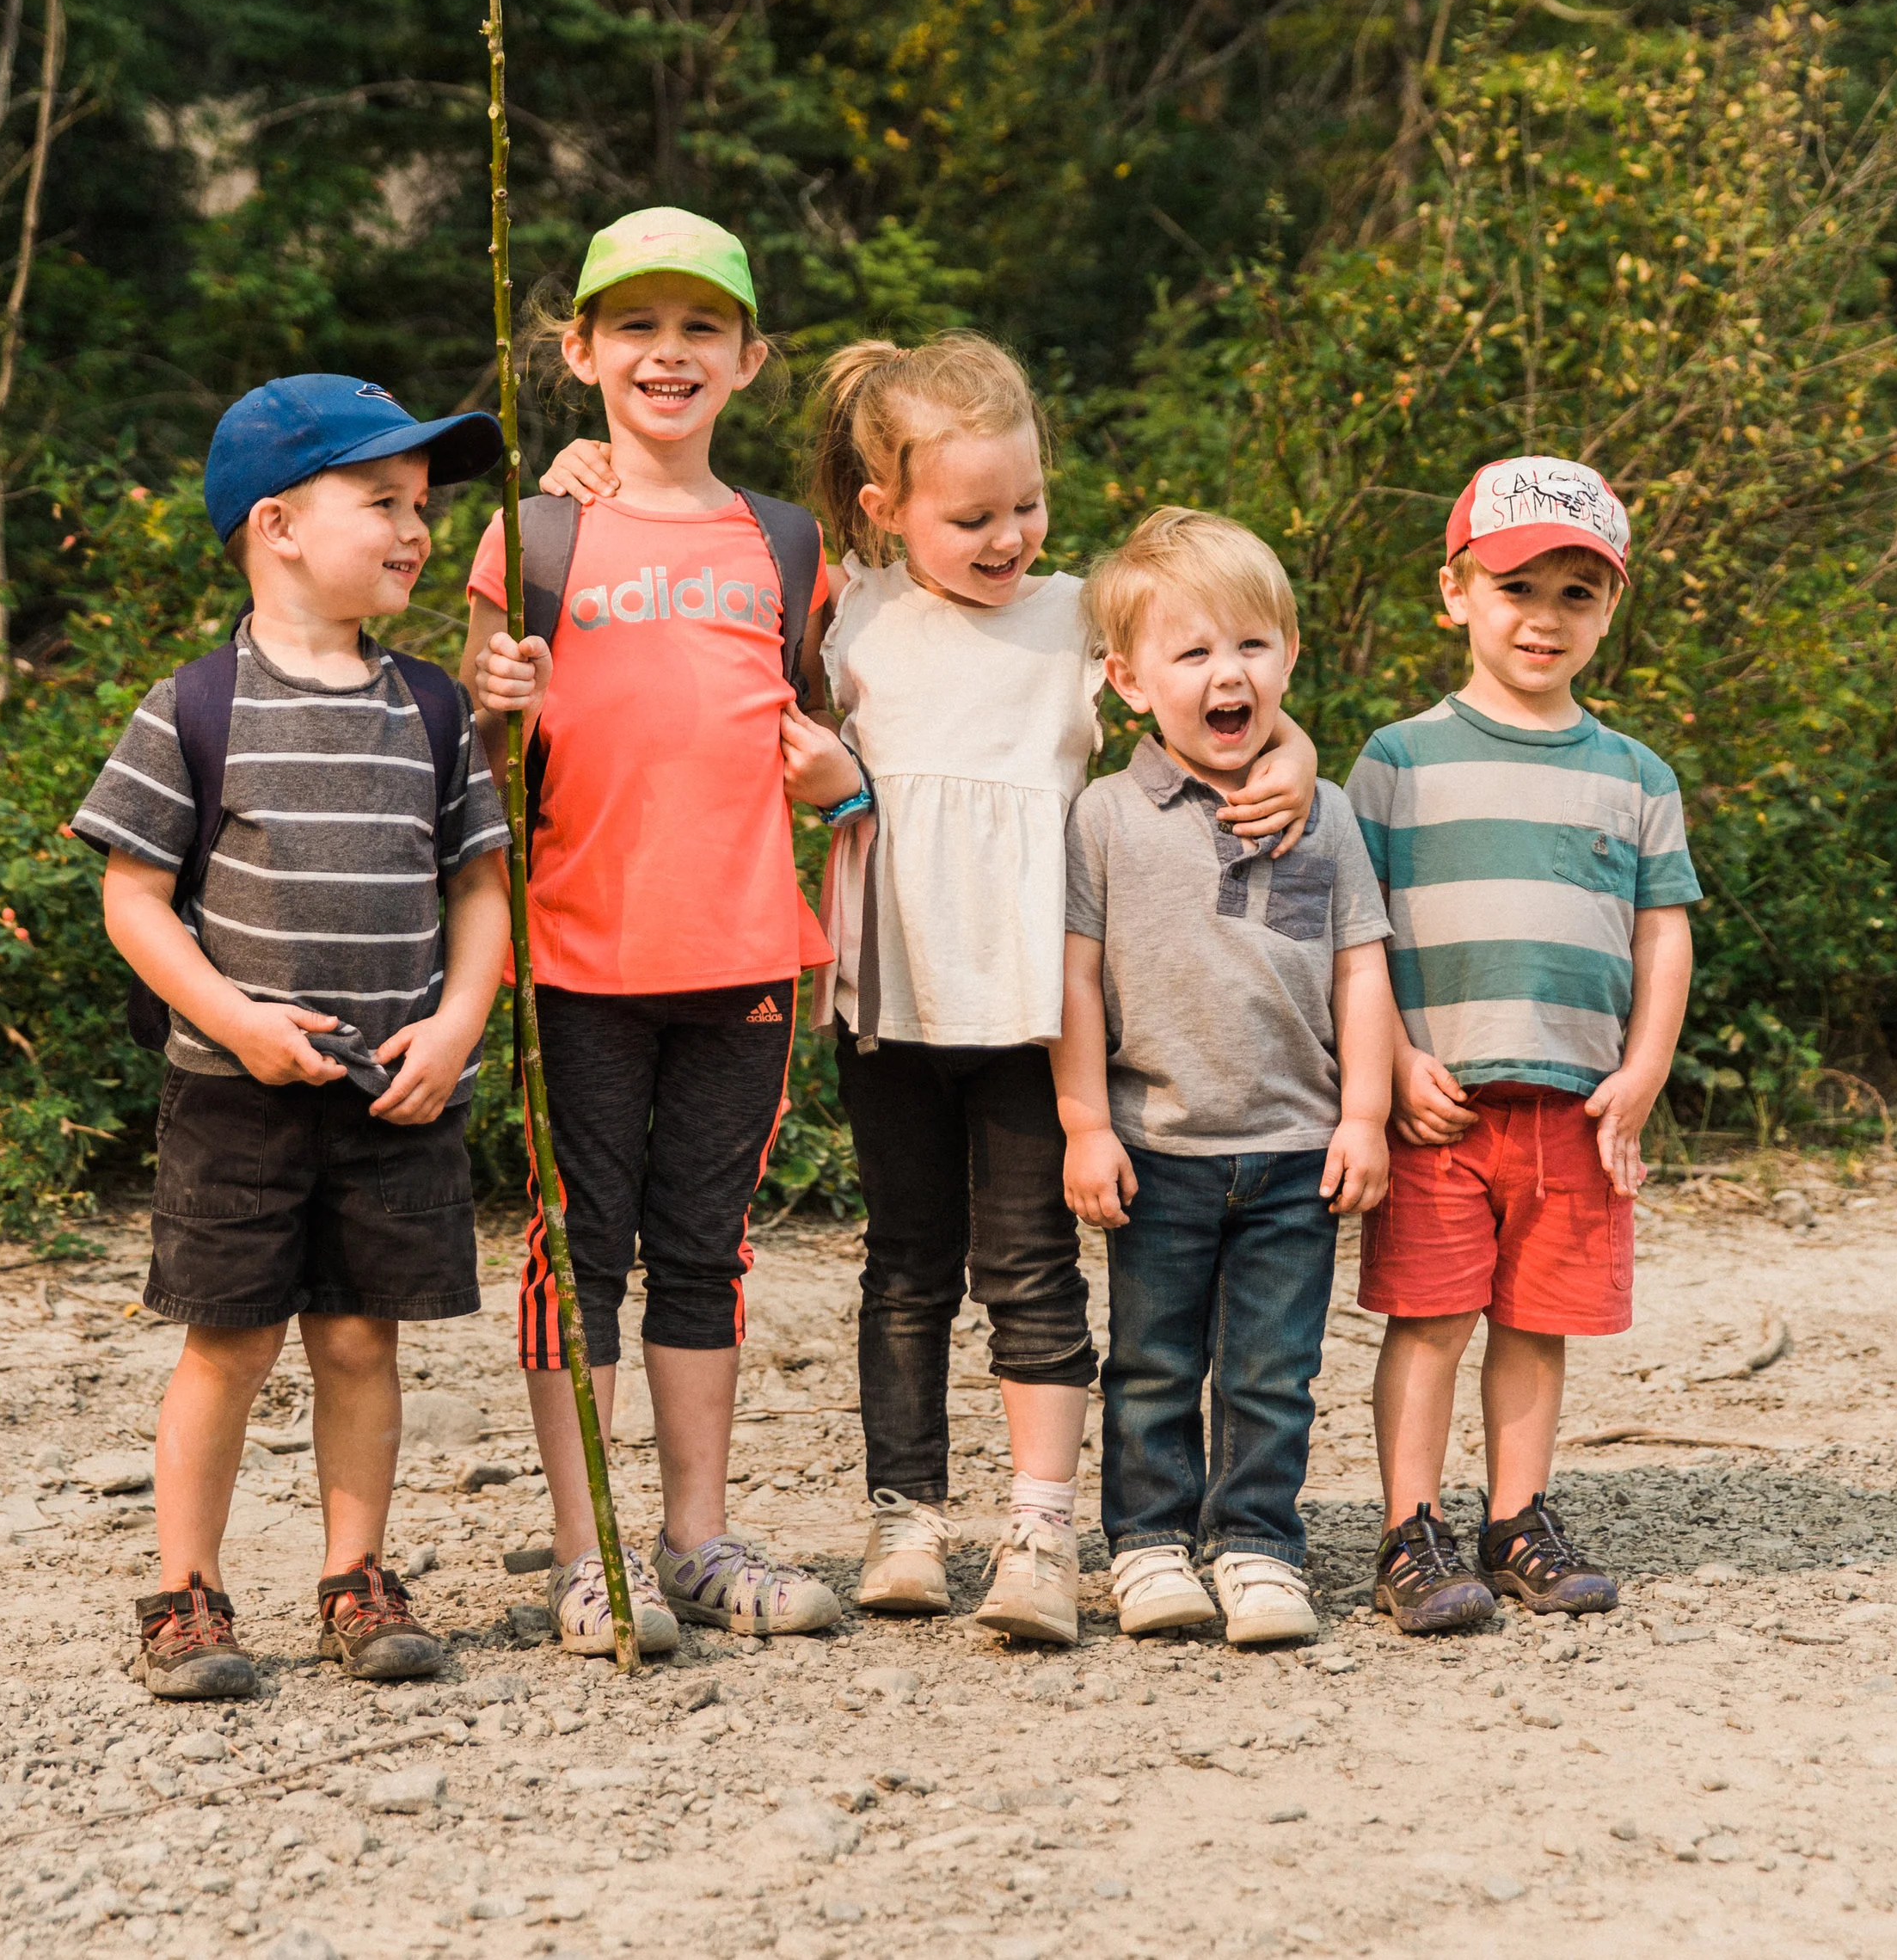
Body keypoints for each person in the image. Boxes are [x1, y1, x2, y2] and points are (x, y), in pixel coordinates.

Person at [803, 342, 1321, 1647]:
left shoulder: (1078, 611)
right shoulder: (846, 609)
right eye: (971, 517)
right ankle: (907, 1512)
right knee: (907, 1268)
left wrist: (1300, 751)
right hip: (894, 1001)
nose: (1008, 536)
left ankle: (1041, 1526)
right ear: (885, 507)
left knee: (1031, 1270)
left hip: (1037, 1005)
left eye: (1025, 504)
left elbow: (1212, 686)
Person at [80, 373, 533, 1699]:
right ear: (277, 523)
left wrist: (458, 1024)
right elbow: (132, 897)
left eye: (423, 506)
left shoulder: (435, 710)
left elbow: (481, 888)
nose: (418, 529)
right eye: (383, 501)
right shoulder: (196, 704)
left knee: (358, 1337)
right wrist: (232, 1016)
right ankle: (185, 1590)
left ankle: (357, 1577)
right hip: (236, 1097)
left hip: (397, 1091)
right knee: (227, 1336)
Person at [464, 207, 845, 1653]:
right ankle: (589, 1552)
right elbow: (484, 746)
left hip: (746, 954)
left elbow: (820, 720)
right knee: (579, 1247)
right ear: (580, 351)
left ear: (751, 359)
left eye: (701, 329)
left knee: (707, 1246)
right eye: (636, 326)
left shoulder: (788, 540)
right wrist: (490, 689)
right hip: (572, 959)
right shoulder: (534, 528)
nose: (668, 353)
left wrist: (840, 773)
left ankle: (695, 1538)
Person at [1350, 456, 1699, 1635]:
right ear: (1455, 592)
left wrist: (1643, 1070)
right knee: (1433, 1317)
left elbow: (1662, 936)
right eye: (1516, 587)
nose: (1544, 617)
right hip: (1439, 1097)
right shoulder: (1398, 760)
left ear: (1610, 608)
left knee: (1536, 1321)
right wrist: (1393, 1060)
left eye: (1576, 593)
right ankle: (1411, 1526)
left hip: (1575, 1102)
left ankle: (1518, 1517)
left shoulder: (1636, 775)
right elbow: (1358, 930)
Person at [1057, 507, 1394, 1648]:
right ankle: (1149, 1544)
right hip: (1160, 1142)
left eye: (1250, 645)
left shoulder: (1328, 810)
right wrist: (1084, 1123)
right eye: (1192, 651)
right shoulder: (1106, 817)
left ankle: (1256, 1542)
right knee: (1150, 1361)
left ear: (1288, 659)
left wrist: (1366, 1113)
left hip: (1298, 1146)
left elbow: (1360, 968)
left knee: (1271, 1369)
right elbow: (1078, 983)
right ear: (1129, 678)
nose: (1225, 672)